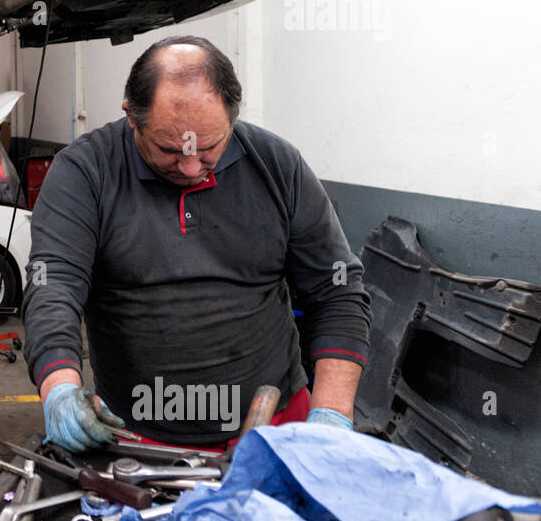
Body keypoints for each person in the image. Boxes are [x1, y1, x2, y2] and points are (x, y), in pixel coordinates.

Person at [22, 35, 371, 451]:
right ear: (131, 117)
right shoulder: (84, 172)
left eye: (209, 148)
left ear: (232, 118)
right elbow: (53, 284)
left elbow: (338, 290)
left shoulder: (278, 165)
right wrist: (60, 387)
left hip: (275, 426)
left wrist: (331, 413)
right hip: (137, 436)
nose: (190, 166)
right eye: (169, 149)